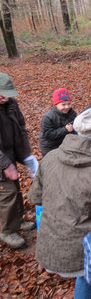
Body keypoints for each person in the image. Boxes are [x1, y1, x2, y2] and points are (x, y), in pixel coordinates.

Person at [28, 108, 91, 299]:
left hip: (49, 245)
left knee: (87, 275)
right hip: (83, 251)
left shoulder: (50, 158)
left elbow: (36, 198)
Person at [0, 72, 38, 249]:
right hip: (2, 159)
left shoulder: (12, 105)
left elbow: (21, 129)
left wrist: (26, 156)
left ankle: (18, 220)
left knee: (15, 190)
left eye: (7, 93)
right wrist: (5, 164)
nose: (4, 97)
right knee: (7, 194)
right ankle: (6, 230)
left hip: (9, 153)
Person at [39, 88, 77, 156]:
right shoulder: (48, 117)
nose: (67, 107)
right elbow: (48, 134)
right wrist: (65, 130)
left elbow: (75, 128)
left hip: (65, 143)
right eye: (63, 105)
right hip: (49, 146)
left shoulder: (72, 114)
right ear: (56, 104)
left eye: (69, 104)